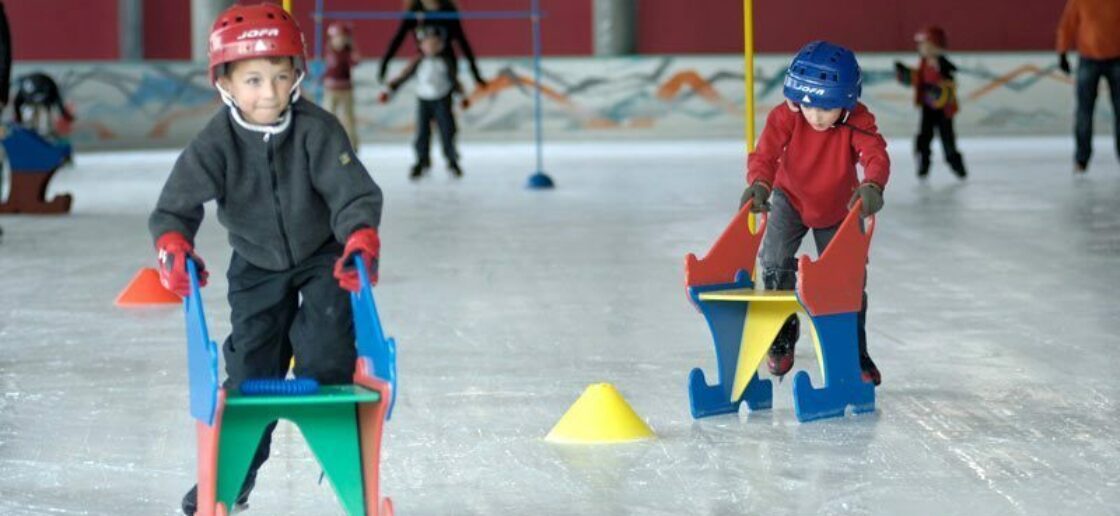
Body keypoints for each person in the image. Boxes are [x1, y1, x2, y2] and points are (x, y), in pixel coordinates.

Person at [146, 4, 383, 514]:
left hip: (323, 257)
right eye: (253, 79)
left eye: (281, 76)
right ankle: (236, 475)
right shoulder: (216, 141)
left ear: (298, 74)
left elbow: (352, 195)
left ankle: (346, 469)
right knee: (251, 374)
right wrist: (174, 245)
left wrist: (359, 236)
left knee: (324, 363)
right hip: (254, 262)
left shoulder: (318, 130)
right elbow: (174, 207)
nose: (269, 94)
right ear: (225, 83)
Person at [740, 41, 888, 386]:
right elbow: (765, 154)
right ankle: (781, 331)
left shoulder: (858, 120)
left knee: (848, 279)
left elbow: (875, 155)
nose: (816, 116)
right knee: (774, 261)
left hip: (841, 206)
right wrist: (760, 184)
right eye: (808, 106)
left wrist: (873, 186)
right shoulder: (786, 116)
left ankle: (855, 349)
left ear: (848, 100)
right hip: (789, 198)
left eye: (827, 107)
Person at [381, 25, 469, 179]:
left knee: (447, 130)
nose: (431, 47)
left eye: (435, 43)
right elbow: (404, 76)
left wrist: (461, 97)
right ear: (421, 45)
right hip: (424, 100)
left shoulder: (446, 62)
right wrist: (389, 91)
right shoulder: (418, 61)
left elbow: (454, 81)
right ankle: (422, 161)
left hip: (442, 99)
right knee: (422, 132)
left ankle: (452, 160)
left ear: (441, 45)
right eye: (428, 43)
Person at [1055, 0, 1120, 172]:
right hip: (1088, 58)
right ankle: (1081, 159)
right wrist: (1062, 52)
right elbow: (1068, 24)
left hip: (1117, 59)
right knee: (1084, 112)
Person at [894, 26, 966, 179]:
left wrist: (938, 90)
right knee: (924, 137)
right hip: (928, 108)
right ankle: (923, 163)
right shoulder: (923, 64)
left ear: (935, 46)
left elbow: (949, 86)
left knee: (947, 138)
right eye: (921, 45)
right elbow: (917, 80)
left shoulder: (945, 66)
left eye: (925, 45)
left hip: (944, 110)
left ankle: (956, 164)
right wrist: (904, 74)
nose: (921, 48)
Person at [378, 0, 487, 89]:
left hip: (446, 59)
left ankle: (455, 91)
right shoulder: (415, 10)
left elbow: (462, 42)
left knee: (444, 78)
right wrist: (384, 65)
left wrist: (476, 75)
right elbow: (398, 39)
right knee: (418, 71)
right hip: (424, 58)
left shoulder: (447, 9)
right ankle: (393, 88)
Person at [323, 21, 361, 149]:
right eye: (336, 38)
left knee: (348, 119)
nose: (338, 41)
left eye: (341, 37)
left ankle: (352, 146)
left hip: (346, 89)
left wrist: (352, 47)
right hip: (331, 89)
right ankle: (327, 145)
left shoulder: (348, 51)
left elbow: (355, 62)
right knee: (327, 118)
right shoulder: (330, 50)